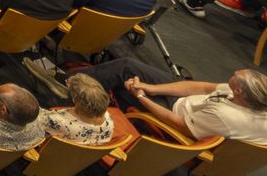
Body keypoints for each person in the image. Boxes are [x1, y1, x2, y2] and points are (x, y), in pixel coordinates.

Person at [65, 61, 267, 144]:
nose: (234, 72)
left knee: (123, 83)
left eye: (236, 76)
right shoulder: (250, 98)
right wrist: (151, 88)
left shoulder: (224, 116)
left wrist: (141, 96)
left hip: (175, 121)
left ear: (239, 91)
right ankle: (75, 84)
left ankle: (67, 89)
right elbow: (204, 88)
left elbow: (181, 126)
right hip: (185, 105)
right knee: (127, 66)